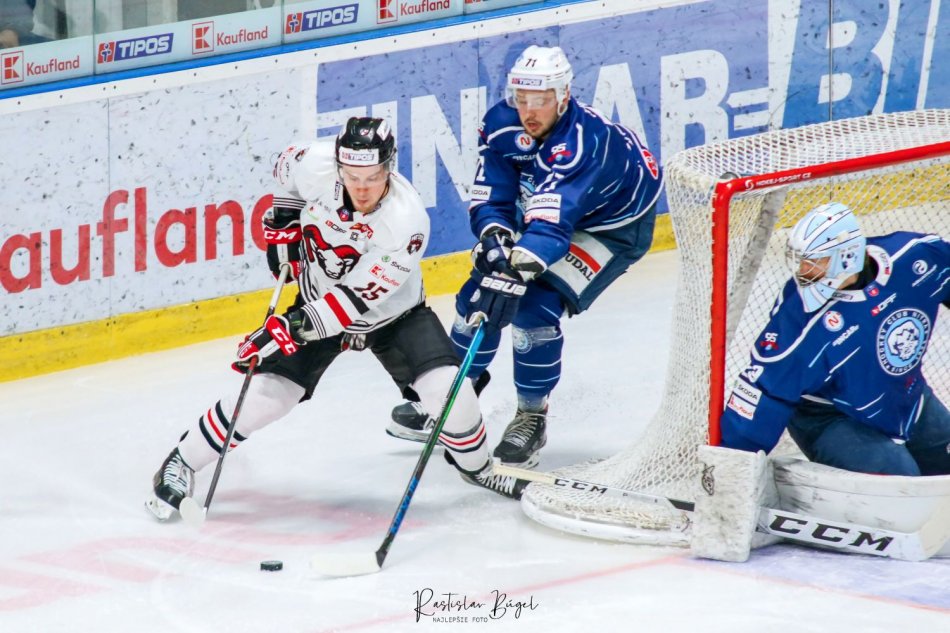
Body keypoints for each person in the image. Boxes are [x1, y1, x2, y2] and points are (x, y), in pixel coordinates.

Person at [145, 117, 527, 521]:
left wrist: (286, 330)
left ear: (389, 166)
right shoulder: (314, 162)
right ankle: (182, 460)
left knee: (450, 392)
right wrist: (285, 225)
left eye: (373, 177)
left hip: (394, 316)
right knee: (264, 398)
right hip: (316, 297)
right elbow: (287, 178)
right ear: (339, 165)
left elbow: (350, 303)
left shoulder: (406, 221)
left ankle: (479, 468)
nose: (362, 189)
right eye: (352, 177)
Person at [387, 45, 664, 469]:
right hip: (548, 214)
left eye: (541, 100)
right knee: (477, 294)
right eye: (522, 99)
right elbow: (493, 195)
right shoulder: (501, 123)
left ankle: (532, 416)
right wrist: (495, 240)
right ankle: (452, 397)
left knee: (533, 306)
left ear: (564, 96)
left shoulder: (581, 143)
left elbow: (553, 227)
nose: (529, 112)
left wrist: (516, 270)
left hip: (611, 227)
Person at [719, 201, 950, 476]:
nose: (803, 271)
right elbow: (765, 393)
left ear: (847, 256)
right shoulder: (800, 319)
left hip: (904, 396)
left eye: (814, 262)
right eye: (801, 262)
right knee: (899, 478)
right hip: (828, 415)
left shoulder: (915, 257)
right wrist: (730, 470)